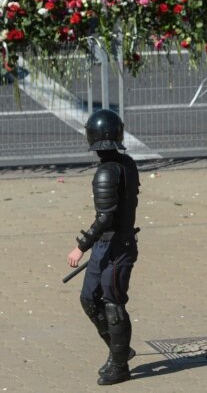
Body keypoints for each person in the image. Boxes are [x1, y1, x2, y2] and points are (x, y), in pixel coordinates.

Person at [66, 109, 140, 385]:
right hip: (106, 246)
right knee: (89, 299)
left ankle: (120, 364)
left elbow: (106, 215)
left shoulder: (108, 172)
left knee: (113, 304)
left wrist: (80, 247)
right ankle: (119, 350)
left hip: (116, 248)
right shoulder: (127, 163)